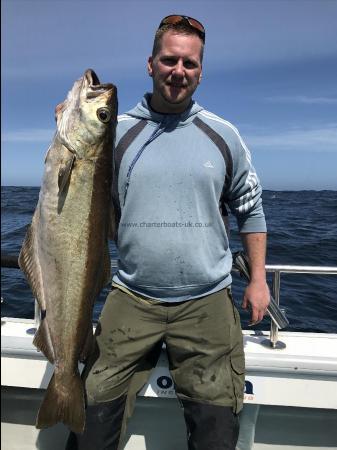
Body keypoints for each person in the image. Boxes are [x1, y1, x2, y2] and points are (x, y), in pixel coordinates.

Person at [66, 14, 270, 450]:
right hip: (131, 295)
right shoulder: (113, 132)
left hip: (207, 302)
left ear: (200, 71)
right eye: (169, 59)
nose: (179, 71)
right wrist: (65, 126)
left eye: (190, 64)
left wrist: (257, 281)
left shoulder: (224, 136)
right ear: (150, 64)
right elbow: (74, 195)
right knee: (90, 422)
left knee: (217, 433)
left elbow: (251, 212)